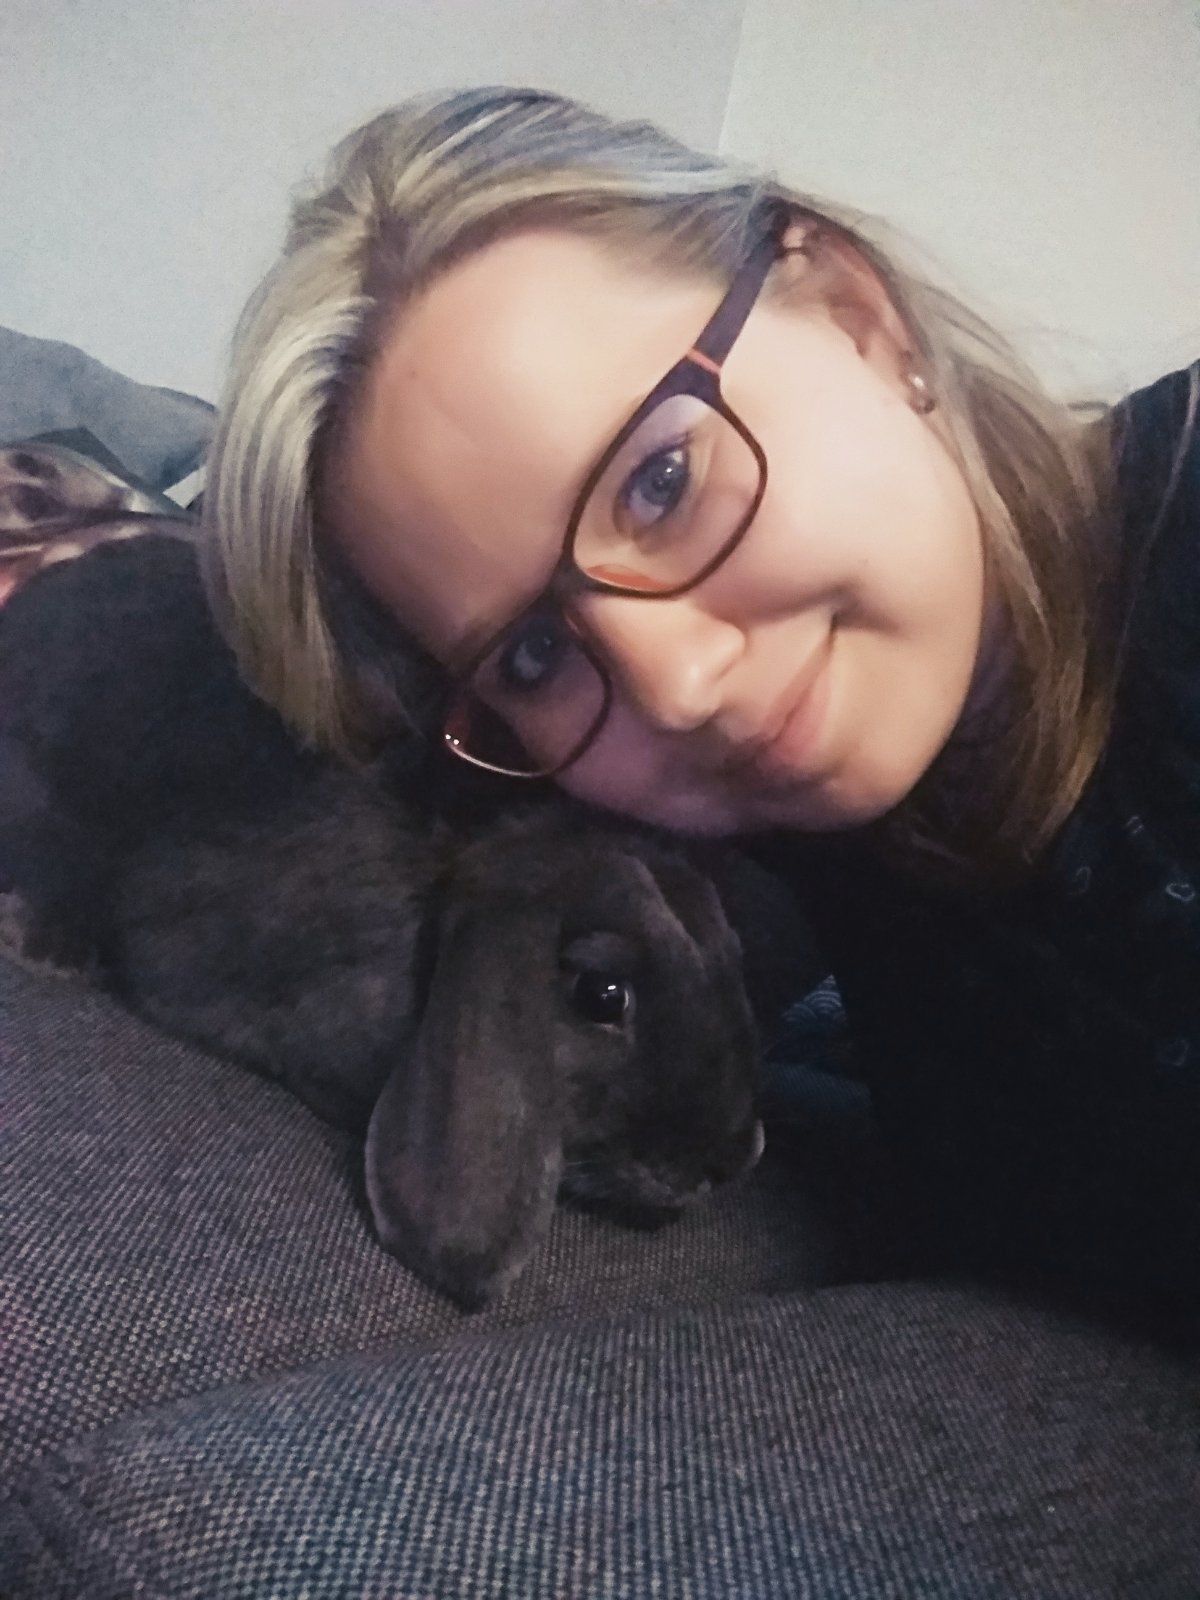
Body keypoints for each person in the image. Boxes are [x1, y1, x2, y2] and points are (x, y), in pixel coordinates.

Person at [202, 85, 1198, 1312]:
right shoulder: (773, 844)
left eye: (661, 480)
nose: (674, 687)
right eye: (533, 654)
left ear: (854, 312)